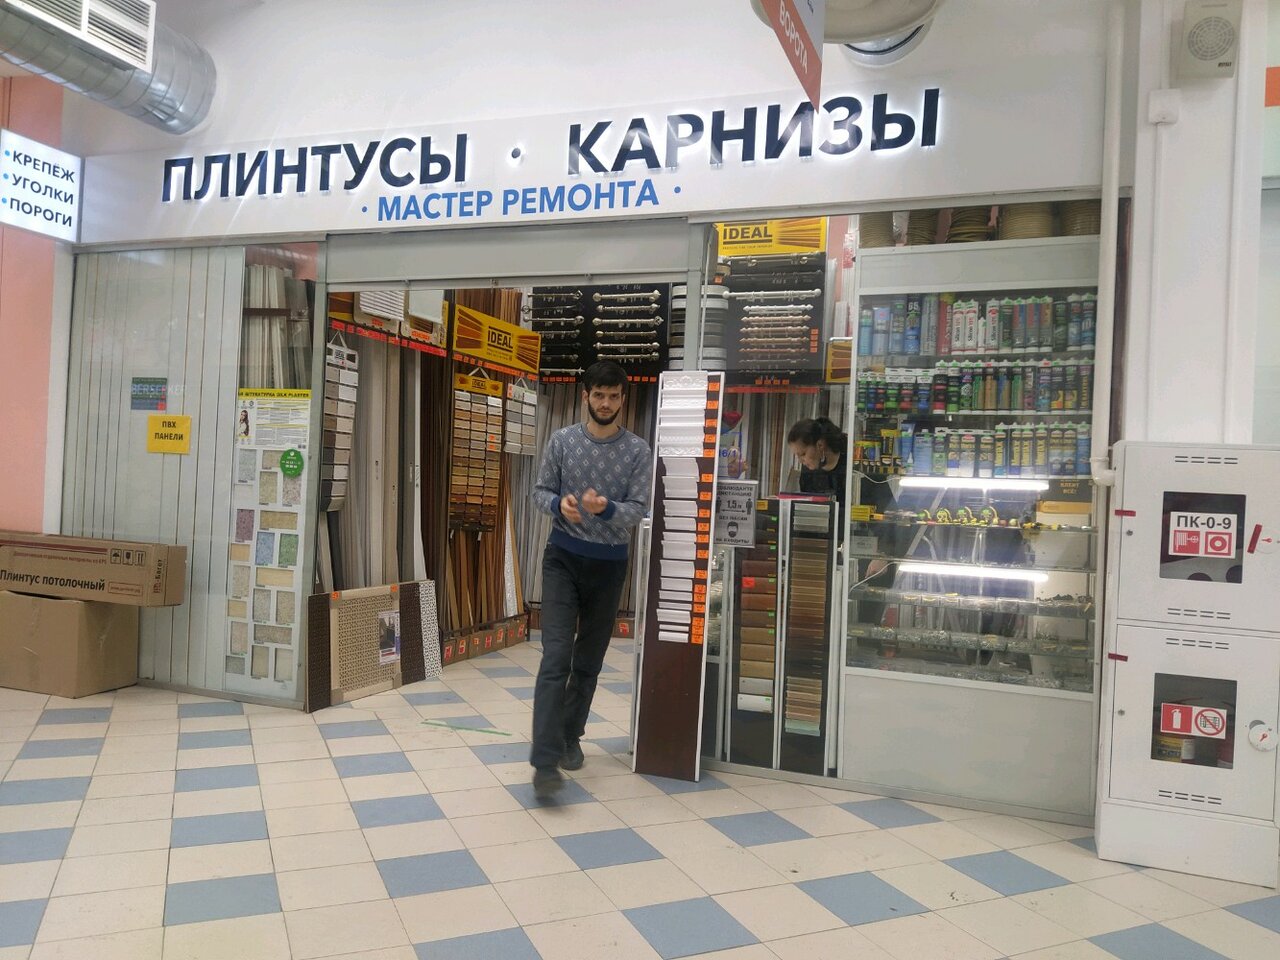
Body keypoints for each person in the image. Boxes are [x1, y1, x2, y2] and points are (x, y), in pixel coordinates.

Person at [529, 360, 651, 798]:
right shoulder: (562, 441)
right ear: (585, 396)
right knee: (556, 657)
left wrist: (607, 509)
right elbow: (540, 491)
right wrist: (558, 505)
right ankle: (545, 764)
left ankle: (570, 737)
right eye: (598, 395)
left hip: (609, 566)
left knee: (588, 662)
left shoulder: (637, 451)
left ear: (622, 400)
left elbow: (639, 508)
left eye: (613, 396)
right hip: (562, 559)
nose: (605, 403)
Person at [787, 416, 847, 505]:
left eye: (803, 454)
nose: (800, 461)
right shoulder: (807, 473)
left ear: (820, 445)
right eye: (797, 456)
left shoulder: (850, 462)